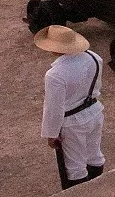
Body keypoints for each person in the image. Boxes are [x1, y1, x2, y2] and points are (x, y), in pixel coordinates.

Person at [37, 25, 105, 189]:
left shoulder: (55, 74)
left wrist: (51, 134)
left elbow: (54, 108)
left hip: (72, 122)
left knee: (74, 166)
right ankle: (98, 188)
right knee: (94, 154)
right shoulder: (94, 58)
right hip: (95, 111)